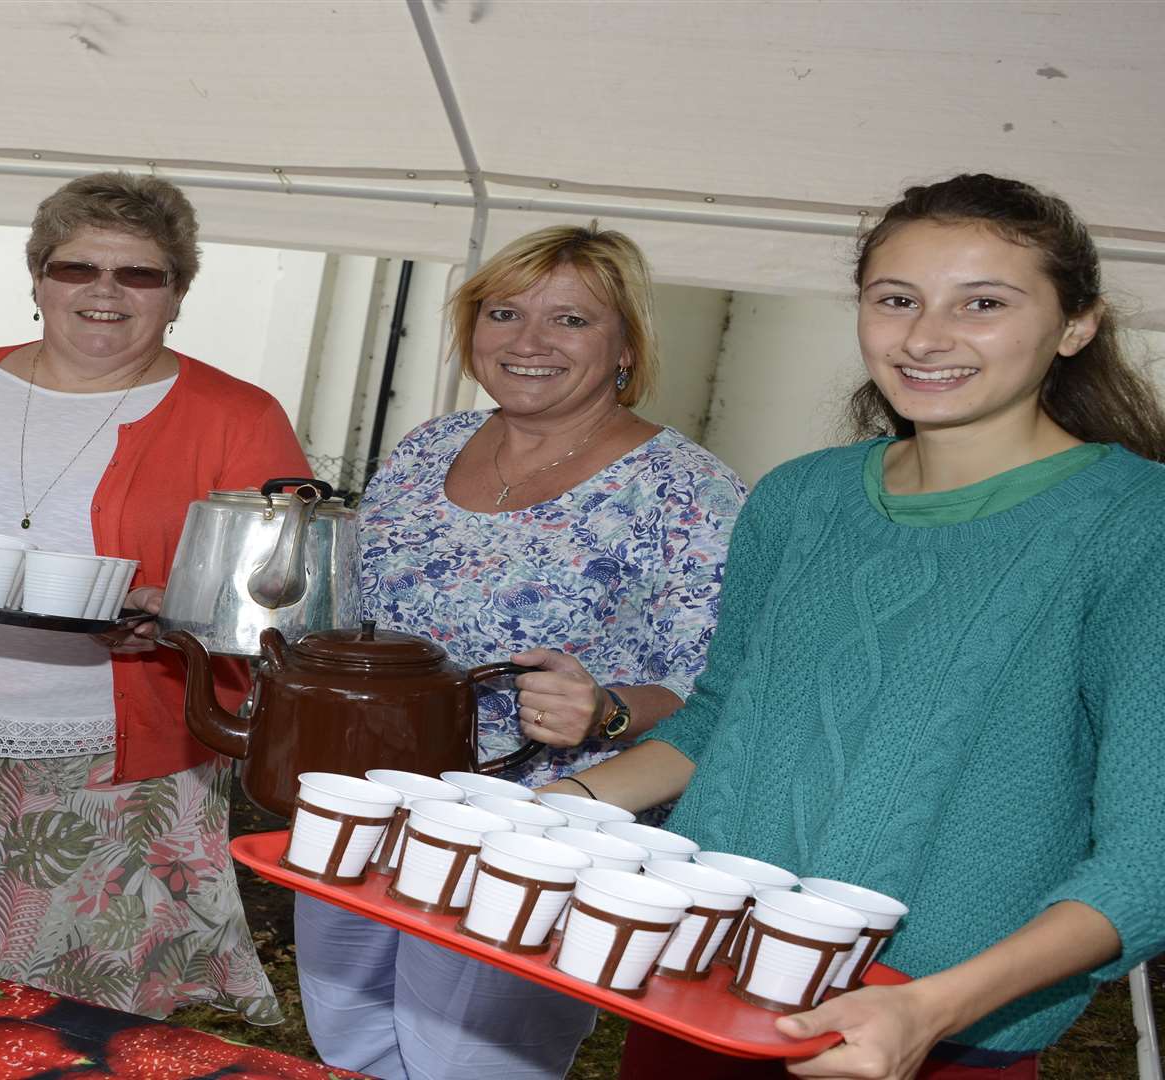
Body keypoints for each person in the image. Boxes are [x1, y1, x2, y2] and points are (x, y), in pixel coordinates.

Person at [545, 174, 1165, 1080]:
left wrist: (931, 1006)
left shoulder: (1133, 527)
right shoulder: (801, 498)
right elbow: (723, 719)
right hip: (702, 988)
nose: (926, 337)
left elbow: (1148, 857)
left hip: (932, 1031)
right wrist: (559, 810)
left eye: (983, 303)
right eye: (896, 300)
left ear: (1077, 325)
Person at [0, 172, 304, 1023]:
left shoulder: (237, 414)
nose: (105, 292)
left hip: (122, 760)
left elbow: (283, 588)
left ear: (178, 293)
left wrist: (178, 607)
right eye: (78, 268)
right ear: (39, 279)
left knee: (94, 1008)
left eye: (140, 274)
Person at [292, 225, 746, 1078]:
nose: (528, 342)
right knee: (348, 1036)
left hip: (539, 827)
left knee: (471, 1061)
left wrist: (608, 708)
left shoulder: (687, 491)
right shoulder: (427, 448)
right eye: (504, 313)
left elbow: (719, 689)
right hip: (367, 800)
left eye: (571, 320)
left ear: (625, 347)